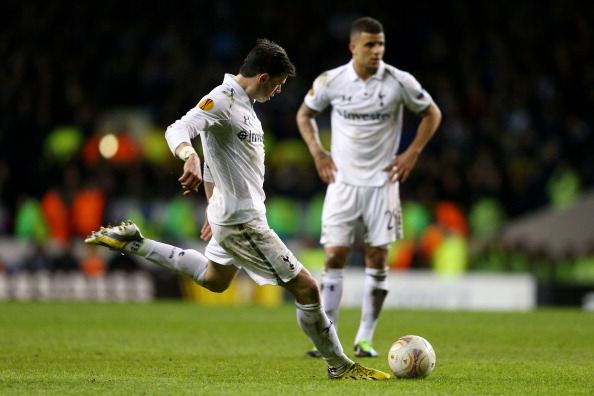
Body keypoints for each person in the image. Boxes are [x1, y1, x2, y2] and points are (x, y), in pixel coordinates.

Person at [85, 38, 390, 380]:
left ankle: (135, 243)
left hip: (229, 215)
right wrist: (189, 156)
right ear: (263, 78)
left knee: (214, 279)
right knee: (308, 288)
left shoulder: (244, 107)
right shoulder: (222, 100)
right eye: (278, 84)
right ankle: (340, 365)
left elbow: (218, 160)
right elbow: (178, 129)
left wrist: (212, 202)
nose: (278, 91)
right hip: (242, 221)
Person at [296, 17, 442, 358]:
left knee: (378, 257)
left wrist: (412, 153)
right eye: (369, 45)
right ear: (353, 47)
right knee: (334, 256)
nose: (377, 51)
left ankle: (364, 338)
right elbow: (304, 115)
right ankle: (327, 338)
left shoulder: (398, 81)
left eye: (381, 45)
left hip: (382, 183)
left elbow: (432, 113)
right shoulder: (332, 81)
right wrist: (318, 152)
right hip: (342, 181)